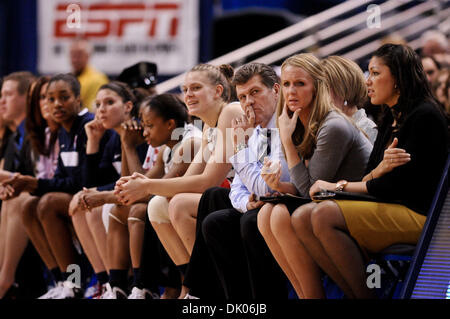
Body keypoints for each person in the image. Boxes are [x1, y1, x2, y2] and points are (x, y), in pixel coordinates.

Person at [290, 44, 448, 299]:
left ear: (397, 78)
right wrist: (380, 170)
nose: (368, 81)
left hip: (423, 217)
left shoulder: (424, 116)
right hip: (391, 206)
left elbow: (396, 188)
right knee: (301, 217)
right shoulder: (391, 117)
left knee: (322, 215)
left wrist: (337, 186)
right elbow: (370, 177)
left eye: (375, 73)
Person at [114, 63, 243, 299]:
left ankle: (205, 288)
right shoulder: (208, 127)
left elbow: (207, 182)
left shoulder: (231, 111)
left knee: (179, 204)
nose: (188, 95)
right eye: (185, 89)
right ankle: (191, 285)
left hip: (250, 198)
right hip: (227, 198)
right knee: (158, 205)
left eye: (196, 88)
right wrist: (142, 185)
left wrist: (147, 186)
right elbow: (191, 179)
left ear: (217, 91)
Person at [252, 53, 373, 299]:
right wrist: (279, 186)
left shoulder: (333, 125)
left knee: (281, 216)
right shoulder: (298, 122)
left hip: (358, 204)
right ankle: (305, 294)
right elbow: (303, 187)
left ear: (317, 87)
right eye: (286, 84)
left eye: (300, 84)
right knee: (266, 213)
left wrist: (285, 139)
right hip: (327, 200)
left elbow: (309, 191)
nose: (291, 91)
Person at [186, 62, 291, 300]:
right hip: (261, 204)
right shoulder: (254, 128)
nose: (248, 102)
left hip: (288, 203)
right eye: (243, 96)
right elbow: (237, 190)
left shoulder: (282, 124)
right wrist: (247, 203)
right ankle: (217, 295)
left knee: (247, 221)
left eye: (255, 92)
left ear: (275, 91)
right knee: (214, 212)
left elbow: (265, 188)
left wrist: (240, 145)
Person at [2, 74, 98, 299]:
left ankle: (74, 281)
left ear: (78, 98)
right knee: (28, 206)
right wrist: (29, 185)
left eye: (63, 97)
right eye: (49, 98)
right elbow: (62, 177)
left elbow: (82, 182)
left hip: (97, 196)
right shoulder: (65, 131)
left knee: (46, 203)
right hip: (78, 197)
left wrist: (34, 184)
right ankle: (62, 280)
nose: (55, 104)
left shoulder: (87, 126)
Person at [321, 55, 378, 144]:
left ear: (342, 89)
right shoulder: (328, 127)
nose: (320, 97)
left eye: (326, 88)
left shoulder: (367, 129)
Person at [70, 38, 109, 112]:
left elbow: (94, 110)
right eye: (73, 55)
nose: (75, 59)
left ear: (88, 56)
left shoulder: (98, 79)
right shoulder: (67, 79)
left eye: (79, 55)